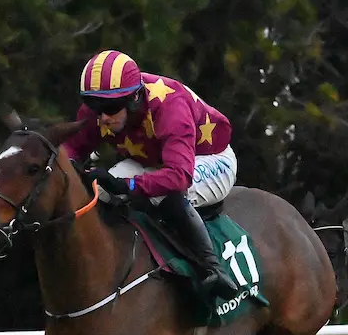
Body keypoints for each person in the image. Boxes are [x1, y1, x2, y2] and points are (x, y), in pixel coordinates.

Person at [61, 50, 241, 301]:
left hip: (208, 158)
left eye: (110, 109)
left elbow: (178, 176)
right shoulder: (105, 103)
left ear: (134, 98)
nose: (101, 118)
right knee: (99, 193)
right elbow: (71, 149)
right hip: (154, 160)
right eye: (94, 107)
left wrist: (126, 185)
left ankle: (213, 269)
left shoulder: (171, 107)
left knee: (164, 195)